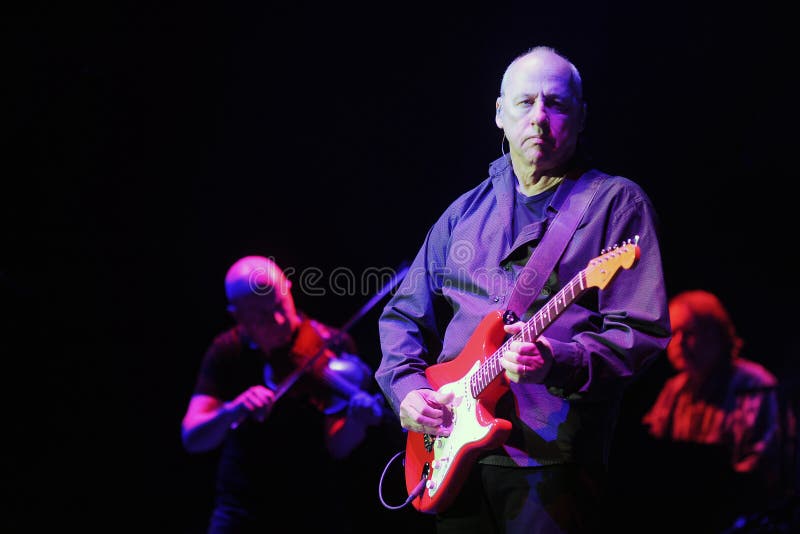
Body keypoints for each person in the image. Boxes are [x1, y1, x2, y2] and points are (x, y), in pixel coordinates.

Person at [375, 45, 671, 533]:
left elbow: (639, 332)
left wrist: (559, 359)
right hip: (451, 454)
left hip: (552, 461)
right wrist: (406, 391)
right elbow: (403, 316)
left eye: (555, 103)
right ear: (499, 114)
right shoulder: (463, 213)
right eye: (525, 102)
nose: (539, 118)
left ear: (580, 116)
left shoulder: (616, 204)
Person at [181, 255, 387, 533]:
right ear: (238, 315)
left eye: (280, 305)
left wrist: (356, 421)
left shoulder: (333, 345)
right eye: (262, 316)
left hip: (312, 503)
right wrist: (233, 410)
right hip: (241, 506)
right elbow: (192, 437)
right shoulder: (227, 351)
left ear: (288, 289)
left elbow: (338, 448)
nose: (278, 320)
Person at [641, 289, 790, 531]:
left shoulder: (755, 385)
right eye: (673, 334)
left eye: (688, 333)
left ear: (716, 334)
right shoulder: (674, 390)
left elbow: (763, 467)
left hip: (743, 517)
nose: (678, 343)